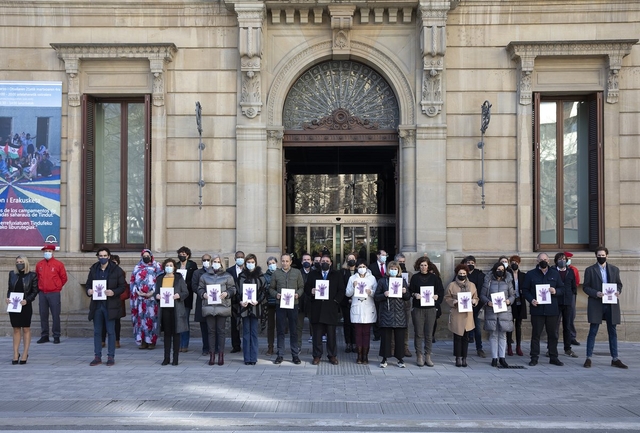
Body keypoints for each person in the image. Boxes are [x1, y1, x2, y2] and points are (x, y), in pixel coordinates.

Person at [583, 247, 627, 369]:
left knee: (612, 332)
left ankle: (615, 358)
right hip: (596, 303)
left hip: (611, 304)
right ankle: (588, 357)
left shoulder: (614, 269)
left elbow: (619, 284)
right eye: (599, 255)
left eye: (603, 255)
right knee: (593, 331)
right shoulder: (590, 270)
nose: (601, 257)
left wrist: (618, 291)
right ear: (596, 256)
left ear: (607, 256)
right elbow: (585, 287)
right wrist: (596, 293)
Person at [85, 248, 126, 366]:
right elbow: (88, 284)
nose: (102, 257)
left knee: (111, 331)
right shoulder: (94, 269)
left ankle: (110, 356)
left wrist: (113, 292)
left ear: (109, 256)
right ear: (97, 256)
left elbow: (122, 286)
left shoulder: (116, 270)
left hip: (110, 305)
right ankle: (97, 356)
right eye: (100, 255)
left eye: (105, 255)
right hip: (97, 305)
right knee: (97, 331)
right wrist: (89, 291)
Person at [523, 252, 564, 367]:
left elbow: (562, 289)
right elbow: (525, 290)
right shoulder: (531, 274)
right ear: (537, 261)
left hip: (552, 310)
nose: (543, 261)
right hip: (537, 309)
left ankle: (553, 357)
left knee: (553, 335)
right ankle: (534, 357)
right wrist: (531, 300)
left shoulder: (555, 274)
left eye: (545, 259)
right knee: (536, 334)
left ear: (549, 261)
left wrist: (555, 291)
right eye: (541, 259)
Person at [305, 254, 345, 365]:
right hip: (317, 308)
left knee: (331, 335)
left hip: (331, 308)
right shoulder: (313, 274)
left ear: (331, 263)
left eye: (327, 261)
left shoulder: (336, 275)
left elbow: (341, 290)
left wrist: (335, 301)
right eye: (323, 261)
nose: (325, 263)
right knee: (317, 335)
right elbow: (307, 287)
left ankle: (332, 355)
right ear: (319, 263)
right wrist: (311, 291)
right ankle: (317, 356)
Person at [198, 254, 236, 366]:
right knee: (211, 332)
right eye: (214, 261)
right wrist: (203, 294)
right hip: (209, 306)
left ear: (221, 263)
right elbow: (199, 288)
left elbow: (233, 289)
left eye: (218, 261)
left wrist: (227, 293)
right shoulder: (204, 276)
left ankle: (221, 355)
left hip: (222, 306)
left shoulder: (227, 276)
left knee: (221, 331)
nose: (216, 263)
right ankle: (212, 355)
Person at [374, 260, 411, 368]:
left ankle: (400, 359)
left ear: (398, 270)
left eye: (395, 269)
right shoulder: (382, 281)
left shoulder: (402, 281)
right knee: (386, 338)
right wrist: (384, 294)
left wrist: (405, 292)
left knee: (399, 337)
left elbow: (408, 297)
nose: (393, 271)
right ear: (388, 270)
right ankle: (384, 358)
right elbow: (377, 296)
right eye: (391, 269)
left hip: (400, 313)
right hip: (387, 313)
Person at [269, 253, 304, 365]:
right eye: (283, 261)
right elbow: (271, 288)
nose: (285, 263)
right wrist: (276, 295)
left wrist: (298, 294)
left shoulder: (297, 272)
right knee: (280, 330)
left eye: (287, 261)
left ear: (290, 262)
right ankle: (280, 354)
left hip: (293, 304)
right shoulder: (276, 273)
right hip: (281, 305)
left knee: (294, 330)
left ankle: (295, 355)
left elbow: (301, 287)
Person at [408, 256, 444, 367]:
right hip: (418, 309)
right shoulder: (415, 277)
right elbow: (410, 291)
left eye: (425, 265)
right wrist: (415, 295)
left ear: (429, 266)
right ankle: (419, 355)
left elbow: (440, 291)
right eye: (422, 265)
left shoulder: (434, 278)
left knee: (429, 334)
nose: (423, 267)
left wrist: (437, 296)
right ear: (419, 266)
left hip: (431, 309)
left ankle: (428, 355)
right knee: (418, 333)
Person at [154, 258, 189, 366]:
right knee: (167, 334)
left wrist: (179, 296)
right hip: (164, 309)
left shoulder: (179, 278)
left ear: (174, 267)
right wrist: (157, 296)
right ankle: (166, 357)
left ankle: (175, 358)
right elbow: (156, 292)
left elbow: (186, 292)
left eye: (171, 265)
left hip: (176, 309)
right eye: (167, 265)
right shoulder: (160, 278)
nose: (169, 267)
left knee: (176, 333)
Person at [481, 262, 516, 368]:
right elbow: (482, 295)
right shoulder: (488, 280)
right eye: (498, 269)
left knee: (503, 335)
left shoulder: (508, 281)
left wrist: (509, 301)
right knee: (493, 335)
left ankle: (502, 357)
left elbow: (513, 295)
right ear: (494, 269)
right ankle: (494, 358)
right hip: (492, 310)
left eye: (502, 269)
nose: (500, 271)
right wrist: (488, 302)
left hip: (504, 311)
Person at [6, 255, 39, 364]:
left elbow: (35, 291)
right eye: (17, 262)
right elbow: (10, 289)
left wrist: (27, 300)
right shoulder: (12, 274)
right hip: (14, 305)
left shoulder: (32, 275)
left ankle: (25, 353)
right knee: (16, 328)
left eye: (21, 261)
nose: (19, 263)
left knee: (25, 328)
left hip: (25, 305)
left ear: (25, 263)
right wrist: (8, 298)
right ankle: (15, 353)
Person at [444, 264, 478, 367]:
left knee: (466, 337)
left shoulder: (472, 285)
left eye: (464, 273)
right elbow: (447, 297)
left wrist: (473, 301)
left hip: (467, 314)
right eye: (460, 273)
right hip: (457, 313)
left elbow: (476, 298)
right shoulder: (452, 285)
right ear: (457, 274)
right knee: (457, 337)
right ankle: (458, 357)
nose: (462, 275)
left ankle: (464, 357)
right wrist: (453, 301)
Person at [345, 259, 377, 364]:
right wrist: (353, 287)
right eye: (360, 267)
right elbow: (347, 293)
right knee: (358, 332)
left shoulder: (372, 278)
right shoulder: (352, 278)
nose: (362, 268)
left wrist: (370, 292)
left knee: (367, 333)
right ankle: (359, 355)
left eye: (364, 266)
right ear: (357, 268)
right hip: (357, 306)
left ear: (366, 267)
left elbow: (376, 292)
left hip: (368, 307)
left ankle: (365, 355)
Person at [130, 249, 162, 349]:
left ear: (151, 256)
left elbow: (160, 280)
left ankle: (152, 341)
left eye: (148, 255)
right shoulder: (137, 267)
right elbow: (132, 281)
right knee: (141, 320)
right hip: (140, 299)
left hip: (152, 299)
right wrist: (138, 291)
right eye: (144, 255)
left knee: (152, 319)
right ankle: (143, 341)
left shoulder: (157, 266)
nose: (146, 257)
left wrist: (152, 292)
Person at [35, 244, 67, 344]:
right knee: (43, 314)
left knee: (55, 315)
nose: (47, 253)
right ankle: (44, 335)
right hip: (42, 293)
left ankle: (56, 335)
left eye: (49, 251)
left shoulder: (58, 264)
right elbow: (36, 278)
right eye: (45, 251)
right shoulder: (39, 264)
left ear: (53, 252)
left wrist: (57, 287)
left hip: (54, 293)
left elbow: (64, 278)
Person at [238, 254, 266, 365]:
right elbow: (237, 291)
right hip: (244, 308)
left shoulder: (260, 276)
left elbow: (264, 291)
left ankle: (253, 357)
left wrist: (258, 301)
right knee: (246, 333)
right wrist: (240, 301)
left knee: (254, 333)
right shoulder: (241, 276)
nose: (250, 264)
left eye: (252, 262)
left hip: (255, 308)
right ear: (245, 263)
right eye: (248, 262)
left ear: (255, 262)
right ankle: (246, 358)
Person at [553, 252, 578, 358]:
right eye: (560, 259)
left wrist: (571, 296)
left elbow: (574, 286)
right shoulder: (552, 271)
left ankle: (567, 348)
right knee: (554, 326)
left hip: (567, 302)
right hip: (556, 302)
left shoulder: (570, 272)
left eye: (564, 259)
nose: (562, 261)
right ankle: (552, 348)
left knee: (567, 326)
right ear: (556, 261)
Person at [101, 254, 128, 349]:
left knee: (116, 322)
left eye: (115, 263)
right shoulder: (103, 271)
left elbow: (123, 287)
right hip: (105, 300)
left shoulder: (120, 272)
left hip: (117, 301)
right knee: (103, 320)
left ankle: (117, 340)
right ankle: (102, 340)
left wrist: (117, 295)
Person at [463, 255, 486, 358]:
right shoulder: (462, 274)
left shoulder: (480, 275)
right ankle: (464, 350)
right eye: (468, 263)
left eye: (472, 263)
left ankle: (479, 348)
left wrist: (478, 302)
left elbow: (482, 289)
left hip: (476, 305)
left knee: (477, 328)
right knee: (464, 328)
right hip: (464, 305)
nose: (470, 265)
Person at [176, 246, 198, 353]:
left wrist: (185, 285)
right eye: (180, 254)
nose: (182, 256)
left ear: (188, 255)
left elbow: (194, 279)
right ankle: (178, 343)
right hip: (176, 297)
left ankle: (184, 344)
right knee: (177, 321)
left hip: (187, 296)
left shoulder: (192, 265)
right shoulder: (175, 265)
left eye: (184, 254)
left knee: (185, 320)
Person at [191, 254, 212, 356]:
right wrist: (202, 293)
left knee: (213, 327)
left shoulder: (215, 272)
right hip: (202, 301)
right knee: (204, 328)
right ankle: (206, 348)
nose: (206, 261)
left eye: (208, 260)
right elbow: (194, 285)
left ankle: (215, 347)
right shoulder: (197, 273)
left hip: (214, 303)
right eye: (204, 260)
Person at [506, 255, 527, 356]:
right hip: (510, 302)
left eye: (516, 262)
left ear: (519, 263)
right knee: (510, 325)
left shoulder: (523, 275)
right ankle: (509, 346)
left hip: (520, 301)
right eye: (513, 262)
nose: (514, 264)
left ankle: (518, 347)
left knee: (518, 325)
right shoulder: (507, 274)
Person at [226, 250, 245, 354]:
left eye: (242, 257)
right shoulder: (229, 271)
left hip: (245, 300)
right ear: (235, 258)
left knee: (246, 323)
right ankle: (236, 345)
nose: (240, 259)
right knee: (234, 324)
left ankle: (246, 344)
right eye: (238, 257)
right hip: (233, 301)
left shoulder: (247, 270)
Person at [395, 253, 413, 358]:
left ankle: (405, 347)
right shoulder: (391, 274)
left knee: (405, 326)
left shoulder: (409, 274)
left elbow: (414, 289)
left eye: (403, 262)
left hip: (405, 304)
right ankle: (393, 347)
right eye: (399, 262)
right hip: (394, 303)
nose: (401, 264)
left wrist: (409, 287)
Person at [369, 249, 389, 342]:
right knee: (376, 312)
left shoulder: (388, 266)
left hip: (386, 293)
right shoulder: (372, 266)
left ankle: (384, 332)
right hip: (376, 292)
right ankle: (377, 334)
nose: (384, 256)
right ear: (378, 256)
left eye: (385, 255)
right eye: (383, 255)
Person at [340, 253, 357, 353]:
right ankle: (348, 343)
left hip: (356, 301)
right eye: (349, 259)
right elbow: (342, 287)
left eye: (353, 259)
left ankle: (355, 343)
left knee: (355, 323)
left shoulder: (359, 271)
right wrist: (347, 298)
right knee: (347, 323)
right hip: (346, 301)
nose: (351, 260)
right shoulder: (343, 272)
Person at [564, 251, 581, 346]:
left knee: (571, 315)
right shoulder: (555, 269)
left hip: (571, 294)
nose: (567, 261)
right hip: (559, 294)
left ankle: (572, 336)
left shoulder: (574, 270)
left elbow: (577, 282)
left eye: (568, 259)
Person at [263, 256, 278, 356]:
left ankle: (280, 347)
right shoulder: (264, 276)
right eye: (270, 263)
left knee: (281, 326)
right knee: (271, 326)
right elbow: (264, 288)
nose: (272, 265)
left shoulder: (280, 274)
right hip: (270, 303)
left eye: (273, 263)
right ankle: (270, 346)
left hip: (281, 303)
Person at [298, 253, 313, 349]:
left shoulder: (315, 273)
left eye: (308, 260)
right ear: (301, 262)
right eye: (304, 260)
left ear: (311, 262)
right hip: (300, 303)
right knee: (298, 326)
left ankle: (315, 348)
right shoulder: (297, 273)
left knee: (314, 326)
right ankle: (297, 346)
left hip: (312, 303)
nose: (306, 261)